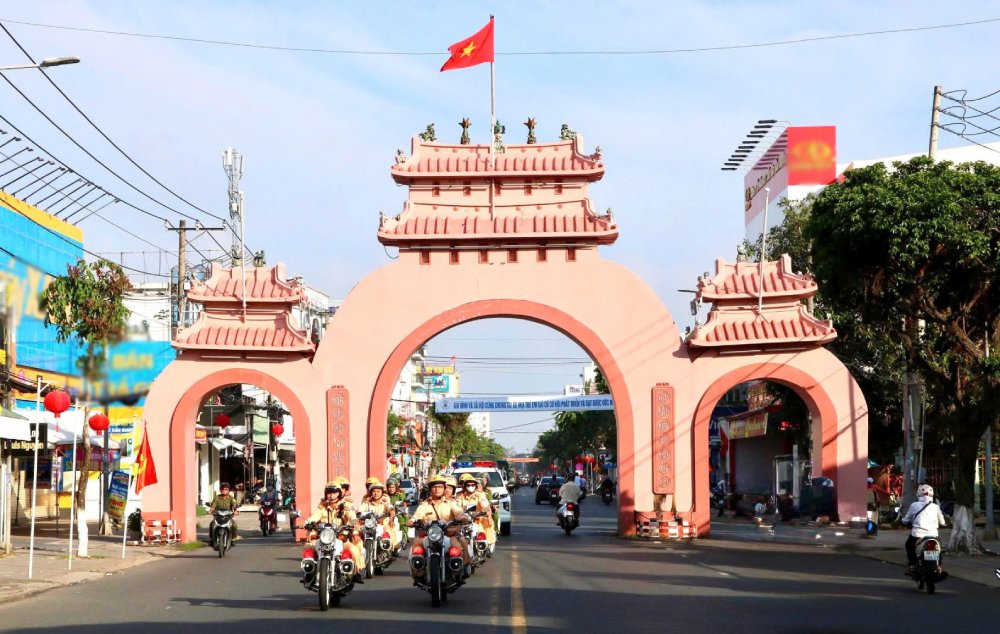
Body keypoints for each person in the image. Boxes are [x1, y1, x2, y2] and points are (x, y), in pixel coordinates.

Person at [304, 480, 364, 584]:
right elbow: (314, 516)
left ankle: (356, 573)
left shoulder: (346, 506)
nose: (331, 495)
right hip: (324, 538)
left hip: (340, 538)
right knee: (308, 547)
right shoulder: (322, 507)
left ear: (339, 493)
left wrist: (353, 523)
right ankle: (309, 572)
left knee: (354, 550)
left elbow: (352, 516)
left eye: (334, 492)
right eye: (329, 493)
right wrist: (306, 523)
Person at [411, 474, 472, 574]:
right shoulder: (425, 504)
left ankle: (461, 569)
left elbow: (459, 513)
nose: (437, 489)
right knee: (416, 545)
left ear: (444, 489)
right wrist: (412, 520)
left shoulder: (451, 503)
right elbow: (418, 514)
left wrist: (464, 518)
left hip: (449, 535)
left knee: (458, 548)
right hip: (429, 535)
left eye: (440, 487)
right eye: (434, 487)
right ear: (430, 489)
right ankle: (418, 571)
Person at [901, 483, 947, 574]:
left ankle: (912, 565)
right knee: (939, 548)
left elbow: (906, 520)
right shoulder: (936, 507)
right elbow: (942, 522)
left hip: (917, 535)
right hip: (933, 535)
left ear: (919, 494)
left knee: (909, 545)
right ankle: (939, 565)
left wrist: (903, 521)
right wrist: (943, 524)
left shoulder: (914, 505)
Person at [359, 478, 399, 550]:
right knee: (357, 532)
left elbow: (391, 508)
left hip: (382, 523)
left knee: (388, 531)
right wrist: (359, 517)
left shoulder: (385, 500)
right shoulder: (367, 502)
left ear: (382, 493)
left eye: (378, 491)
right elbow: (360, 510)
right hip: (370, 524)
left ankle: (392, 548)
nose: (376, 493)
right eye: (374, 491)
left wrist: (391, 517)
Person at [456, 473, 494, 547]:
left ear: (476, 486)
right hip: (463, 522)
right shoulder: (458, 496)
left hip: (477, 520)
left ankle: (486, 546)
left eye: (472, 485)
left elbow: (484, 505)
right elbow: (456, 507)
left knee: (482, 535)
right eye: (468, 485)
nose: (470, 487)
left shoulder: (480, 495)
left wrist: (484, 511)